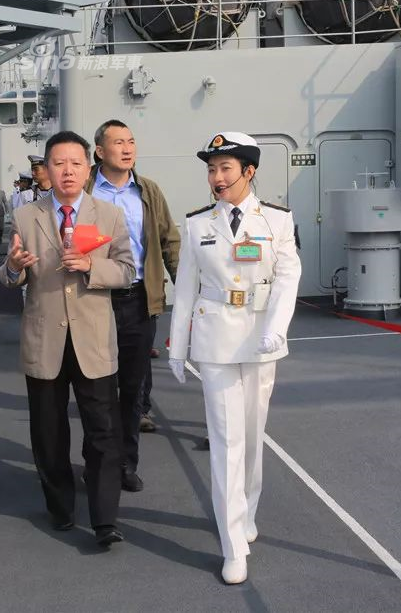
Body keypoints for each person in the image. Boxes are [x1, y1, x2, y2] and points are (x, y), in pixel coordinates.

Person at [168, 132, 301, 585]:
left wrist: (276, 328)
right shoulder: (197, 224)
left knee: (252, 435)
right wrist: (177, 346)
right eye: (211, 169)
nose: (216, 178)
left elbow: (288, 277)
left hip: (261, 337)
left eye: (225, 168)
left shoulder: (276, 220)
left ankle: (246, 514)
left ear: (249, 171)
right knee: (226, 440)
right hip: (216, 340)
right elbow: (185, 287)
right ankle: (232, 545)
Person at [0, 130, 135, 547]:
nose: (68, 171)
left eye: (76, 163)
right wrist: (14, 267)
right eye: (59, 164)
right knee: (49, 431)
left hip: (93, 340)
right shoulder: (26, 216)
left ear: (88, 168)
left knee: (103, 430)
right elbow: (8, 276)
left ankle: (105, 519)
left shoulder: (109, 214)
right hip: (45, 340)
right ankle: (60, 506)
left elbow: (127, 270)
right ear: (47, 169)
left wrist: (92, 267)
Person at [85, 119, 179, 492]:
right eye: (118, 142)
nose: (127, 149)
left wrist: (189, 293)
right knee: (96, 390)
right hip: (94, 300)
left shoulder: (148, 191)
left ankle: (125, 463)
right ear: (99, 151)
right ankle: (97, 462)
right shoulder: (85, 190)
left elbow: (169, 241)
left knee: (132, 388)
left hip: (139, 300)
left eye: (131, 141)